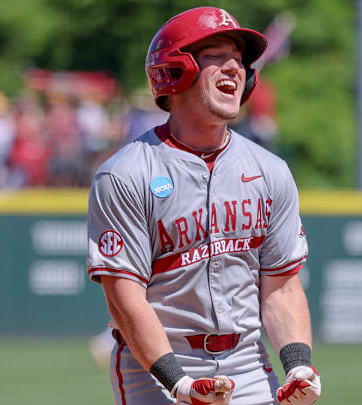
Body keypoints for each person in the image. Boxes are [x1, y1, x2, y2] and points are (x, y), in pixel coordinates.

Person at [87, 7, 321, 405]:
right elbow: (125, 297)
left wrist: (298, 363)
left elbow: (281, 286)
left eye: (239, 59)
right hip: (156, 368)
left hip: (246, 362)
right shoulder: (125, 174)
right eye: (216, 54)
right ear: (174, 70)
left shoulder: (270, 171)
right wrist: (178, 383)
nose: (235, 67)